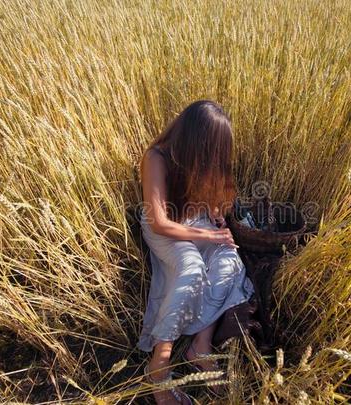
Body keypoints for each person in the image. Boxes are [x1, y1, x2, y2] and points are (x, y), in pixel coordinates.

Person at [137, 100, 255, 404]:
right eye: (214, 148)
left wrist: (216, 216)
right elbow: (160, 223)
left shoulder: (201, 162)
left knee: (230, 261)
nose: (217, 156)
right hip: (166, 228)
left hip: (195, 222)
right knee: (190, 268)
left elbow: (211, 203)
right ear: (196, 140)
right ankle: (159, 369)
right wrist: (207, 234)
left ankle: (199, 346)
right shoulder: (156, 158)